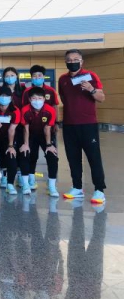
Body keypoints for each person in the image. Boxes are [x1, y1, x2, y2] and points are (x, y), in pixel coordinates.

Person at [58, 49, 106, 204]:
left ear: (82, 61)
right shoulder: (62, 79)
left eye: (75, 59)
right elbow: (64, 99)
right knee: (73, 158)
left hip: (88, 124)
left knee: (93, 157)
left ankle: (99, 189)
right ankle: (77, 187)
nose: (72, 62)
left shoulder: (91, 76)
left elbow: (101, 98)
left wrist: (91, 89)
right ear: (66, 62)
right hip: (69, 125)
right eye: (69, 60)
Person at [20, 87, 59, 197]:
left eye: (40, 98)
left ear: (44, 99)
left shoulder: (50, 110)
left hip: (44, 135)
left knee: (52, 156)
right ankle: (27, 183)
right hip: (30, 134)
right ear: (29, 99)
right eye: (34, 98)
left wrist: (49, 145)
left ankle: (52, 186)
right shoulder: (25, 110)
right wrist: (26, 144)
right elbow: (26, 129)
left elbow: (47, 129)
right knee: (26, 154)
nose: (37, 101)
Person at [0, 86, 22, 195]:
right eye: (1, 95)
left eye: (6, 96)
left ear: (11, 98)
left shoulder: (15, 111)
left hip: (8, 136)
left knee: (11, 156)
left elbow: (12, 130)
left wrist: (11, 146)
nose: (4, 98)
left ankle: (9, 184)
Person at [0, 67, 25, 188]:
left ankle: (19, 175)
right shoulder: (1, 90)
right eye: (7, 76)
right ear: (4, 78)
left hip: (20, 126)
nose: (9, 78)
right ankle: (4, 177)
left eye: (12, 75)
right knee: (4, 151)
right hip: (5, 125)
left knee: (19, 151)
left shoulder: (23, 90)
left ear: (16, 76)